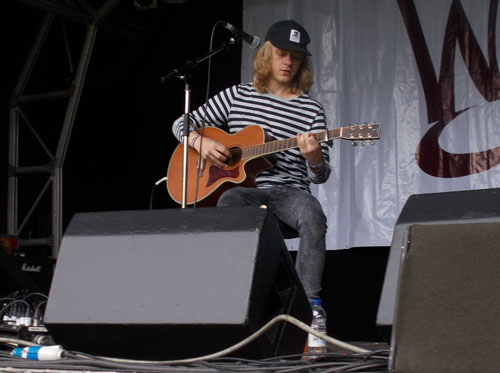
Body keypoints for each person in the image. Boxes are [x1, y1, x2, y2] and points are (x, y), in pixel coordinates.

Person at [172, 19, 331, 301]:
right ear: (267, 54)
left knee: (312, 213)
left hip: (289, 194)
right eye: (282, 54)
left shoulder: (312, 110)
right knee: (229, 202)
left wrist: (315, 158)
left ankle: (311, 306)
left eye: (295, 57)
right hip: (244, 192)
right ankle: (233, 298)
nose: (288, 62)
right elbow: (182, 123)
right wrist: (202, 142)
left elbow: (320, 176)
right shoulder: (238, 95)